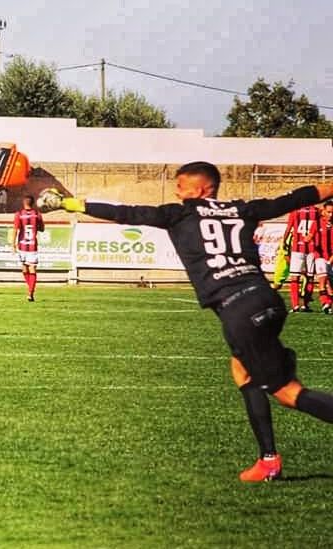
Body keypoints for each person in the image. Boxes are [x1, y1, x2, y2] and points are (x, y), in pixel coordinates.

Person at [46, 161, 333, 482]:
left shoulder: (179, 214)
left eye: (181, 185)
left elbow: (127, 213)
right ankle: (268, 459)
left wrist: (77, 204)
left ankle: (269, 459)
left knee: (287, 392)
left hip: (239, 312)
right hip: (267, 300)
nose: (177, 190)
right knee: (241, 369)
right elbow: (296, 198)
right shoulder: (243, 209)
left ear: (199, 189)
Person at [283, 205, 319, 312]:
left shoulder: (294, 210)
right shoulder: (317, 211)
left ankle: (295, 306)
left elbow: (289, 228)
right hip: (313, 248)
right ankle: (305, 305)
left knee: (295, 277)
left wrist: (284, 243)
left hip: (297, 248)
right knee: (310, 277)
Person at [13, 194, 45, 301]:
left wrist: (13, 244)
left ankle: (30, 290)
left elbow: (15, 230)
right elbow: (42, 229)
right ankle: (30, 291)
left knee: (24, 268)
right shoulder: (37, 214)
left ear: (24, 203)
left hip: (22, 246)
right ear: (33, 203)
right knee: (31, 269)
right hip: (32, 246)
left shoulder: (19, 214)